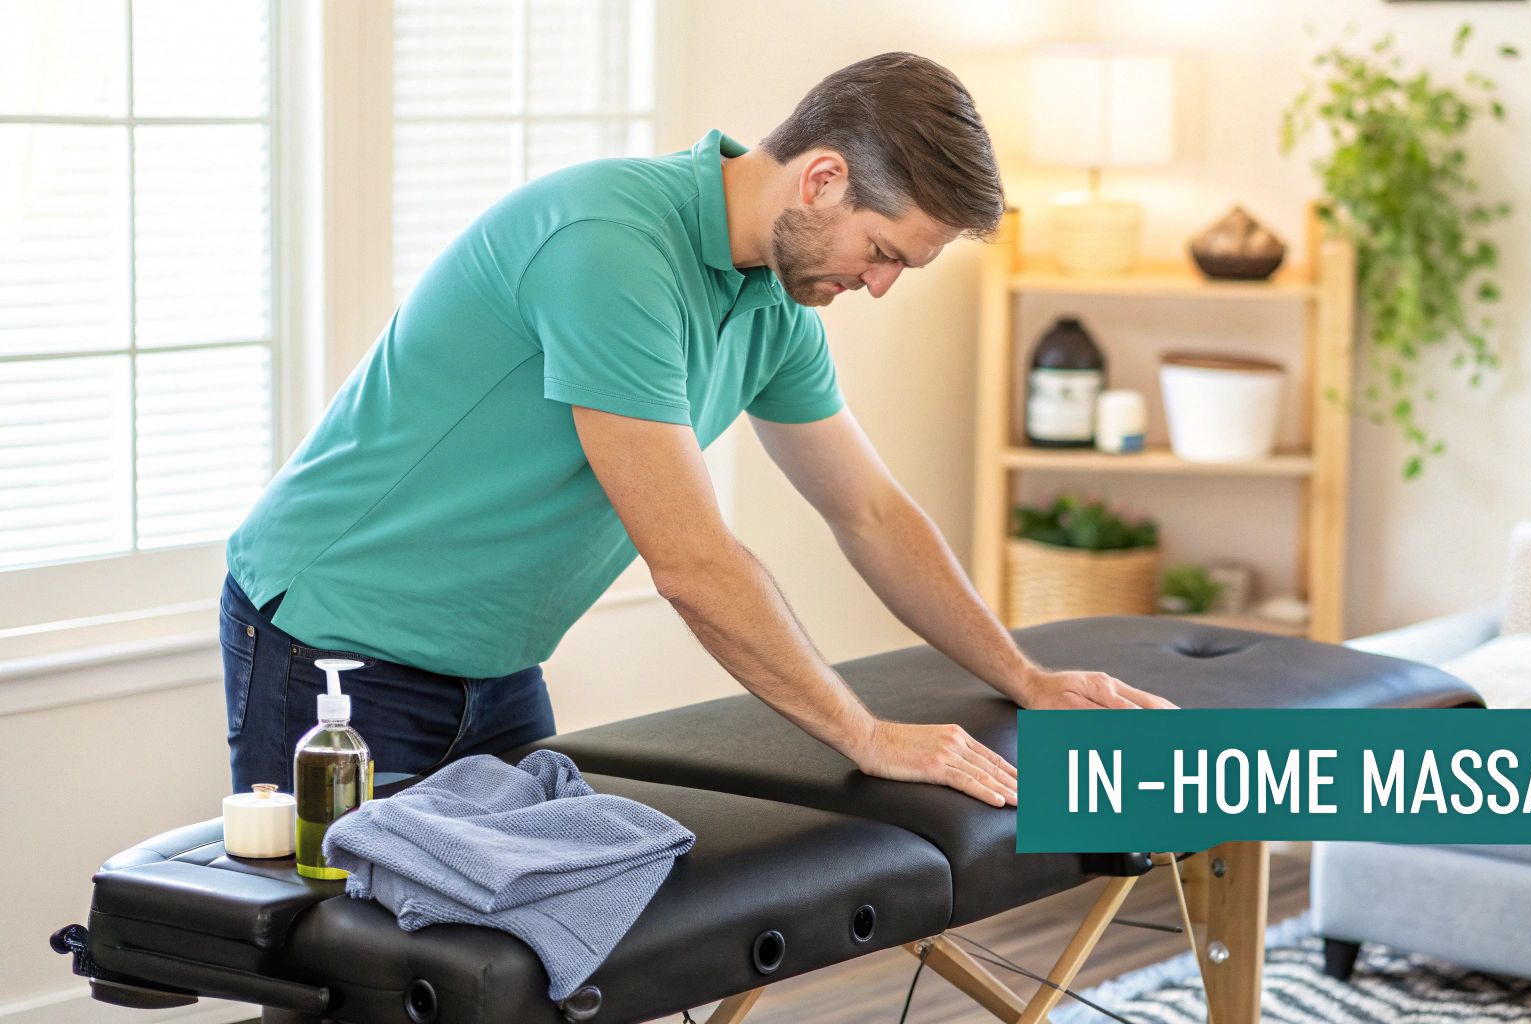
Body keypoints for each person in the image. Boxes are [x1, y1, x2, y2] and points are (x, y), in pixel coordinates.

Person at [218, 51, 1174, 808]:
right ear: (822, 179)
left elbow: (871, 513)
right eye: (882, 252)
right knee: (345, 960)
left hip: (494, 667)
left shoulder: (776, 306)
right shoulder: (611, 250)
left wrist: (1026, 677)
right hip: (334, 644)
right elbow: (691, 563)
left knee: (511, 951)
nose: (879, 286)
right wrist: (867, 736)